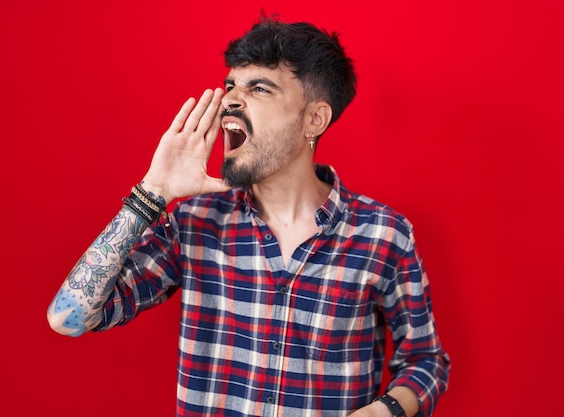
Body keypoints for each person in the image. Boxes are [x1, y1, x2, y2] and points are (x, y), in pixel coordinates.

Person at [47, 16, 450, 417]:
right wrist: (152, 191)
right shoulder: (194, 222)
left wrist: (383, 412)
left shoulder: (383, 236)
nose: (229, 100)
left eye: (259, 88)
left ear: (315, 119)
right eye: (230, 86)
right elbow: (69, 317)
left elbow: (426, 361)